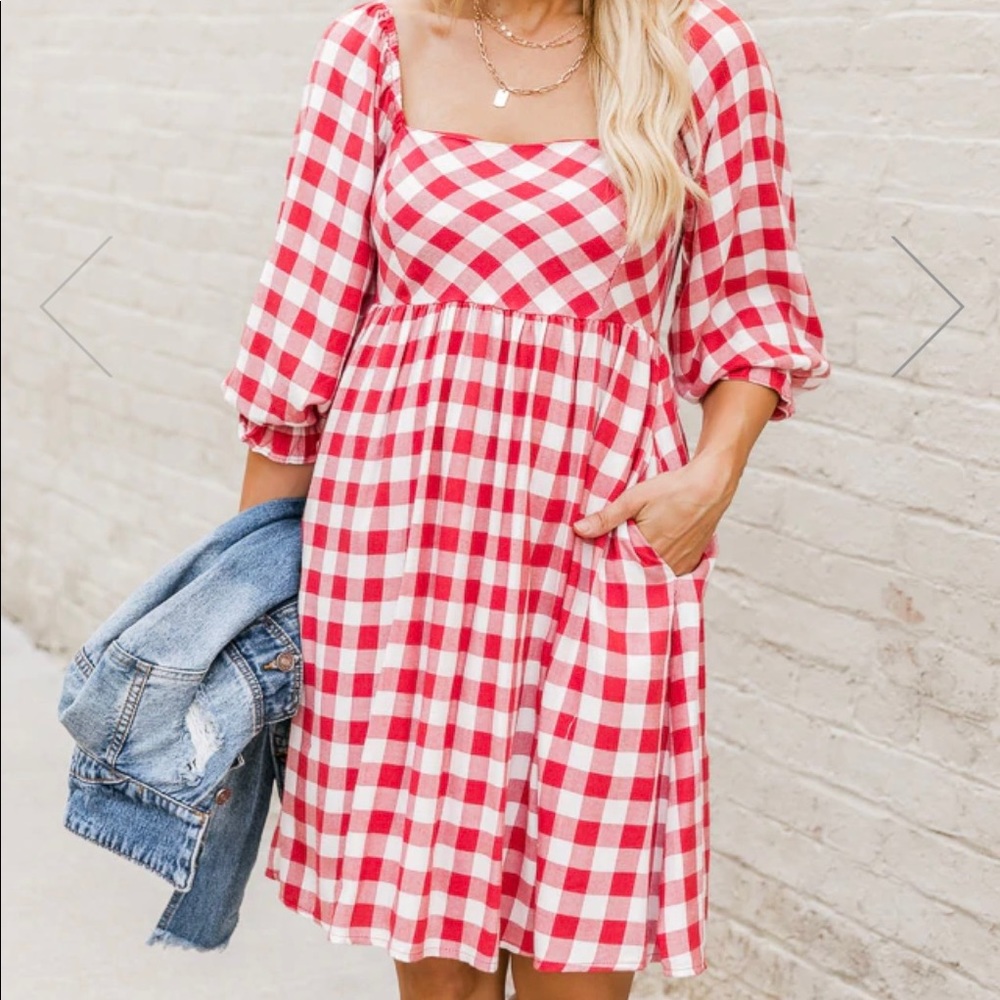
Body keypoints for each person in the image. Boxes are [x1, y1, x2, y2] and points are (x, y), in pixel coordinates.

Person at [221, 1, 829, 997]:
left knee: (578, 959)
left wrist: (712, 475)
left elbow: (752, 304)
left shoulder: (699, 48)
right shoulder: (376, 43)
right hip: (404, 556)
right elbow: (298, 344)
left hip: (599, 546)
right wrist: (239, 604)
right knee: (442, 972)